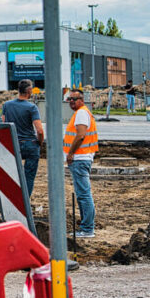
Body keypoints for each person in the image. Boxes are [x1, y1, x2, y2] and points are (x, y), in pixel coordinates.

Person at [1, 79, 45, 197]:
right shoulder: (32, 107)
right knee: (28, 177)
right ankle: (24, 202)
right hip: (29, 143)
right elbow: (39, 130)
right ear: (29, 90)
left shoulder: (7, 105)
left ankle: (11, 199)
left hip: (13, 143)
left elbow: (3, 125)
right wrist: (39, 142)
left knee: (11, 174)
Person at [64, 91, 98, 238]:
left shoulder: (81, 114)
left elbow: (81, 135)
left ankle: (87, 229)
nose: (71, 101)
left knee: (84, 195)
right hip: (82, 158)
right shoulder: (80, 112)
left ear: (82, 100)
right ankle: (86, 227)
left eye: (74, 99)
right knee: (82, 194)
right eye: (69, 99)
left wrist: (71, 153)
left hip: (80, 158)